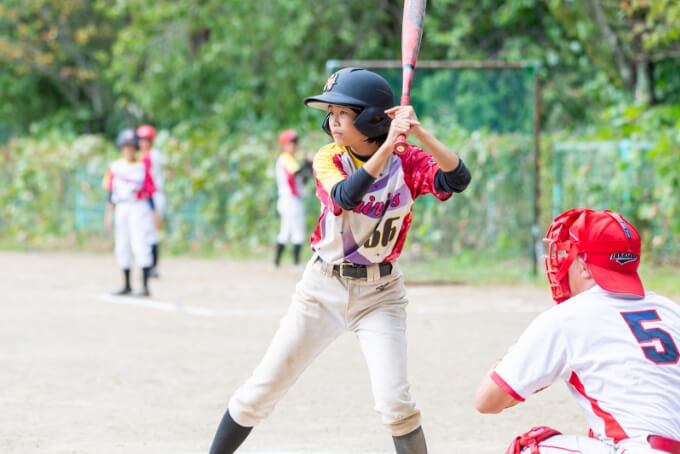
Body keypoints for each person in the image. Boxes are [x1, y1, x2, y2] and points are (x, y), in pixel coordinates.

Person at [208, 67, 471, 454]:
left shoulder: (408, 161)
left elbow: (457, 178)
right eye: (330, 114)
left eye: (342, 114)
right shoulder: (328, 158)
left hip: (380, 295)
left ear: (371, 118)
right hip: (322, 291)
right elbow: (346, 195)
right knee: (260, 393)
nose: (332, 122)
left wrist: (417, 133)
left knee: (396, 405)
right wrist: (387, 146)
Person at [475, 208, 680, 454]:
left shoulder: (568, 318)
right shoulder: (669, 310)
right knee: (604, 433)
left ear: (584, 266)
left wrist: (513, 366)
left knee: (529, 448)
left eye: (566, 254)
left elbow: (487, 400)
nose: (559, 263)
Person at [103, 129, 158, 297]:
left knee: (140, 243)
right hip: (122, 207)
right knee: (122, 244)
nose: (128, 150)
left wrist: (154, 211)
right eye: (125, 147)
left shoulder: (142, 167)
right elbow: (111, 191)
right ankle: (126, 284)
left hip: (138, 207)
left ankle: (145, 286)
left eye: (131, 146)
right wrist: (108, 212)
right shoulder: (115, 167)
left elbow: (149, 191)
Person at [273, 128, 312, 267]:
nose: (295, 145)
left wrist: (308, 165)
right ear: (284, 145)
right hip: (290, 200)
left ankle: (276, 262)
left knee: (286, 230)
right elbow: (297, 173)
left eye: (296, 142)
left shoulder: (290, 159)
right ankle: (295, 263)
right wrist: (308, 162)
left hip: (290, 200)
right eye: (292, 142)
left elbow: (302, 178)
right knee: (297, 231)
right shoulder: (285, 158)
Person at [136, 124, 165, 278]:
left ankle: (153, 267)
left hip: (155, 195)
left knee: (152, 231)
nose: (143, 142)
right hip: (143, 197)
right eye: (140, 139)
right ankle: (146, 264)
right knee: (143, 231)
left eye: (146, 139)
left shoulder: (153, 156)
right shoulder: (139, 155)